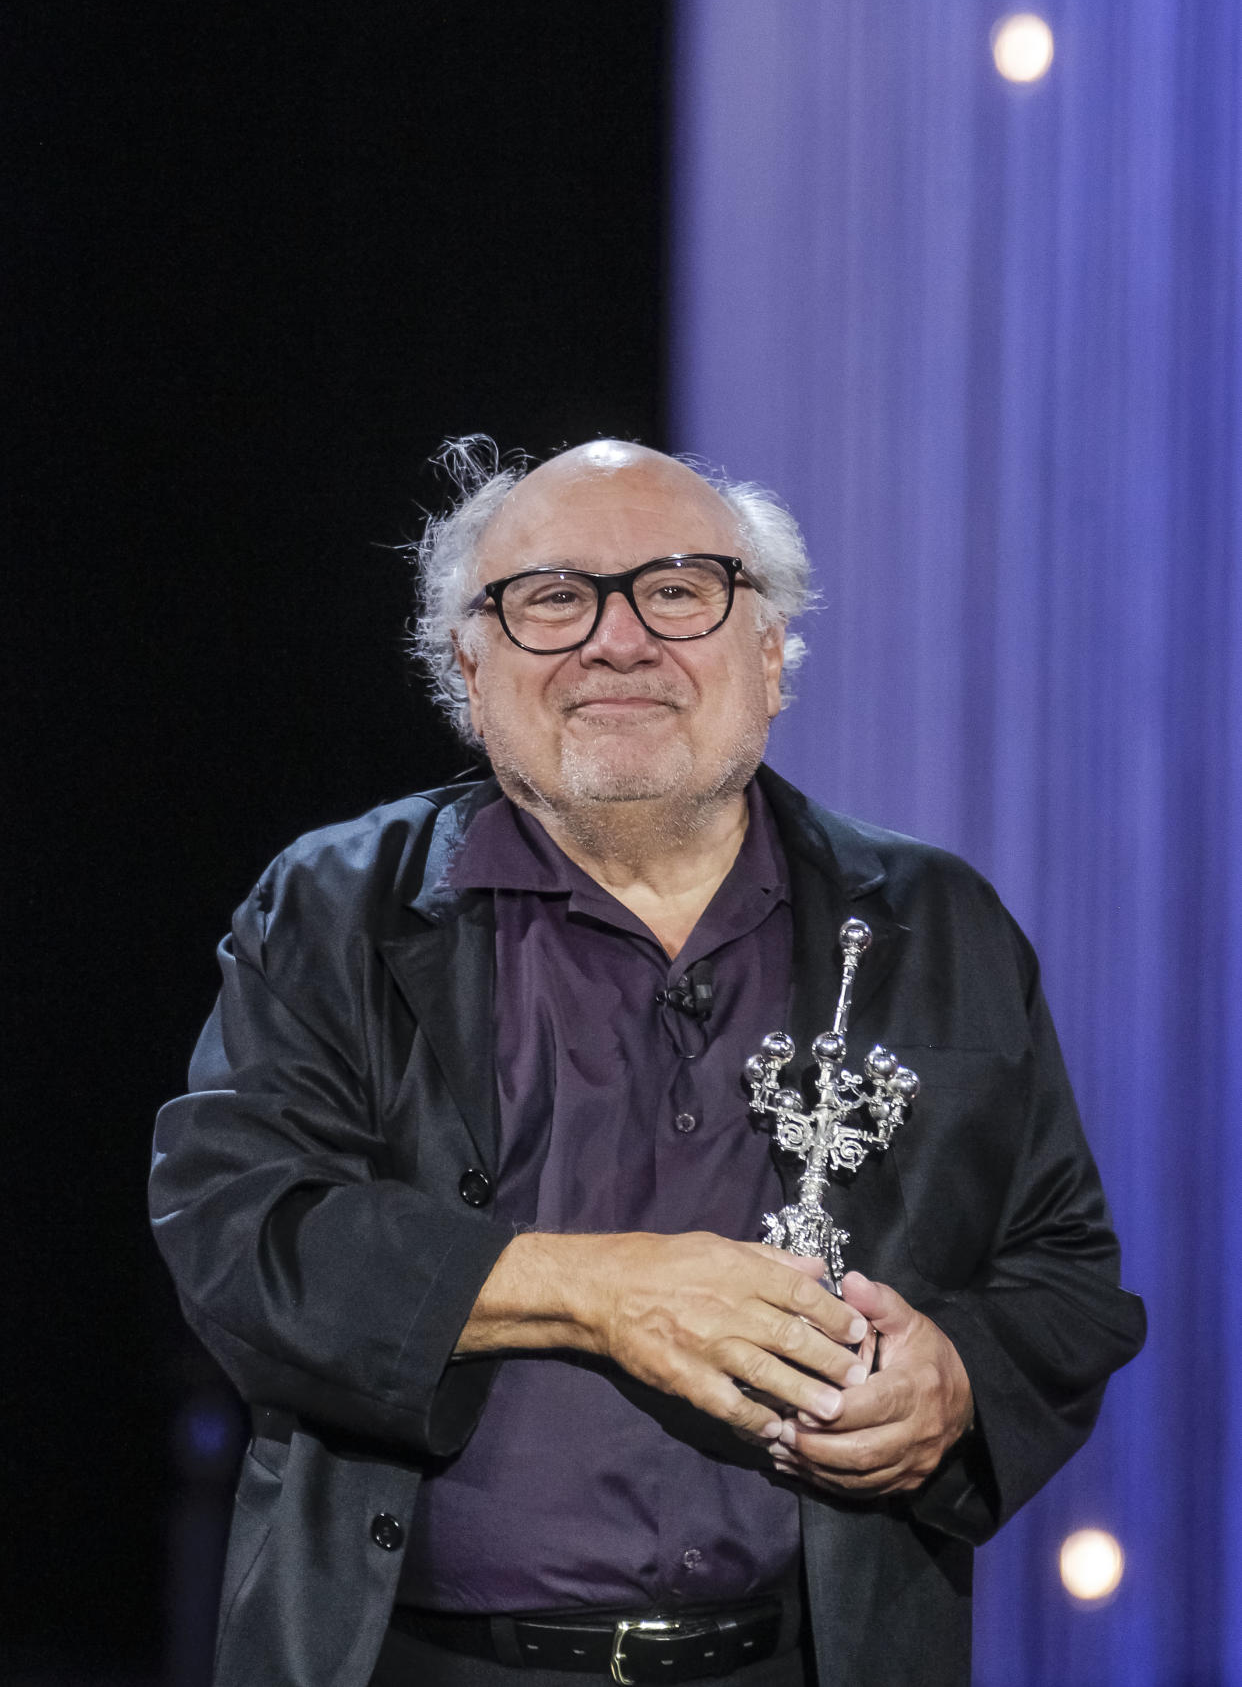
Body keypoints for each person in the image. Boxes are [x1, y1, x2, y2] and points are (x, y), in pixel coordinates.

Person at [149, 437, 1145, 1687]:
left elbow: (1064, 1272)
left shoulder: (938, 921)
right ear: (469, 668)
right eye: (553, 598)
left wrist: (956, 1385)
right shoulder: (331, 908)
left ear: (771, 654)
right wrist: (603, 1289)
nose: (618, 641)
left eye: (679, 590)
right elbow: (244, 1240)